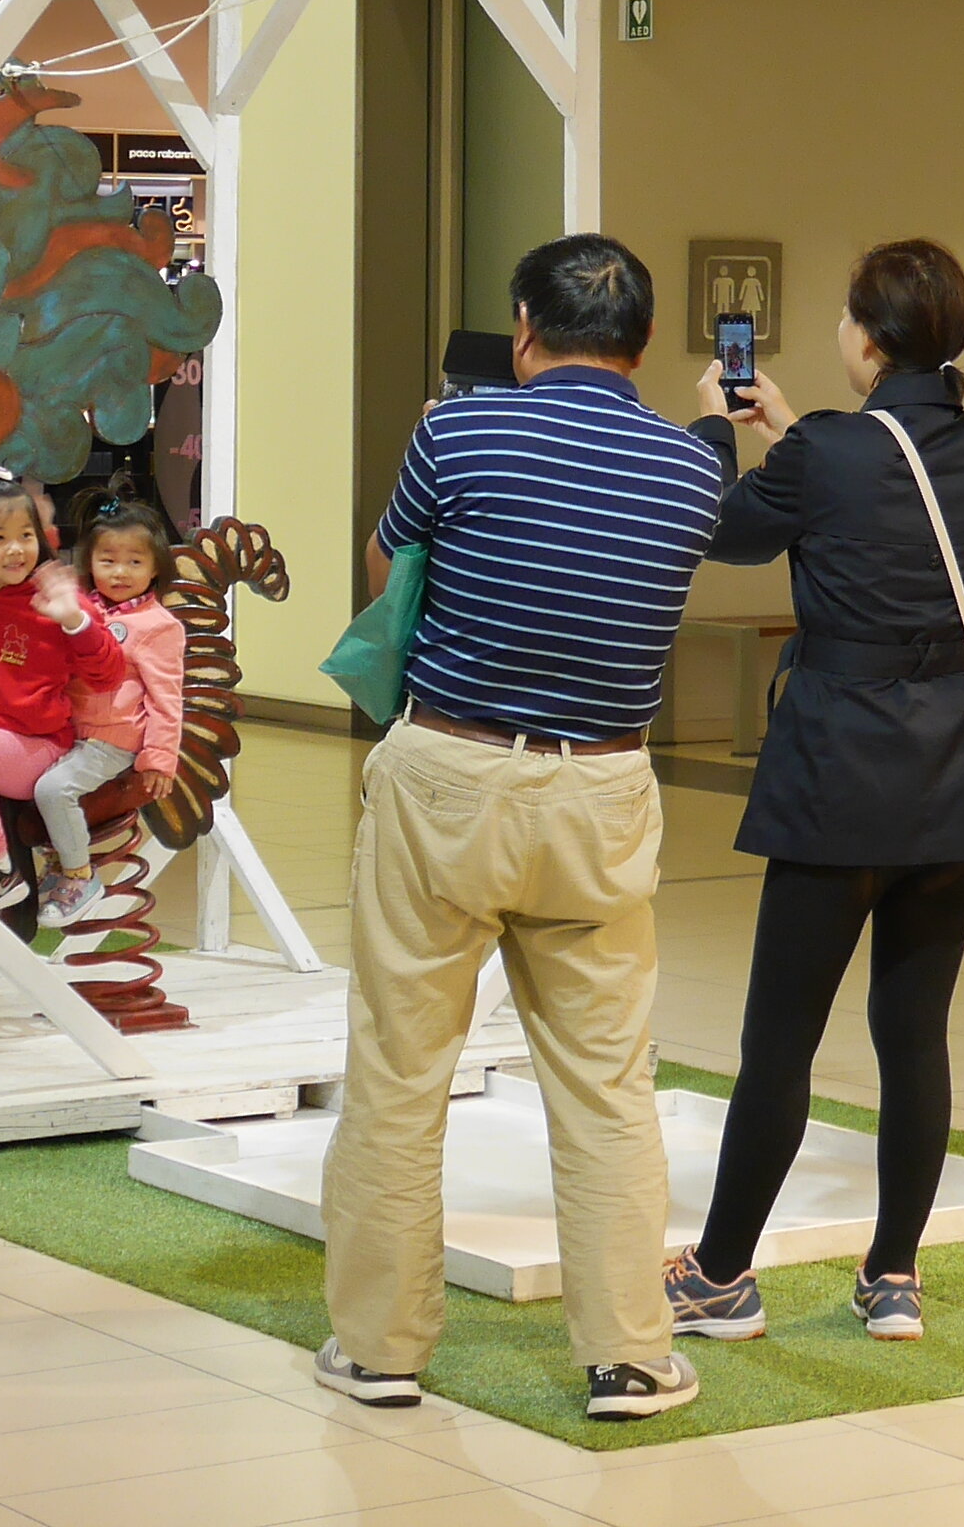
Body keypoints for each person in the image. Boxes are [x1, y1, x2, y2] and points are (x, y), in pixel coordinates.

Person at [315, 234, 723, 1422]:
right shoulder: (692, 468)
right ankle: (629, 1358)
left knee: (400, 1071)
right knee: (606, 1086)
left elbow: (393, 564)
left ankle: (381, 1350)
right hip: (601, 790)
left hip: (447, 771)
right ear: (643, 347)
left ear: (522, 328)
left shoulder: (458, 430)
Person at [661, 239, 964, 1344]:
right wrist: (793, 429)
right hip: (950, 772)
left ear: (866, 335)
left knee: (781, 1041)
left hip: (835, 770)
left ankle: (719, 1275)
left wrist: (716, 427)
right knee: (915, 1034)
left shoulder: (825, 450)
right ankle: (894, 1276)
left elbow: (716, 528)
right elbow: (875, 489)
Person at [0, 467, 125, 919]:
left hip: (40, 747)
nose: (16, 549)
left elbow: (109, 673)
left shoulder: (52, 595)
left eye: (26, 534)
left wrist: (73, 619)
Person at [35, 478, 186, 928]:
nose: (120, 572)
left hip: (113, 741)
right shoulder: (84, 610)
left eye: (134, 562)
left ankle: (81, 875)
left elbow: (166, 697)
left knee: (52, 789)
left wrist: (160, 757)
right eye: (108, 561)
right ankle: (50, 865)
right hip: (66, 730)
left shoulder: (158, 626)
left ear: (155, 568)